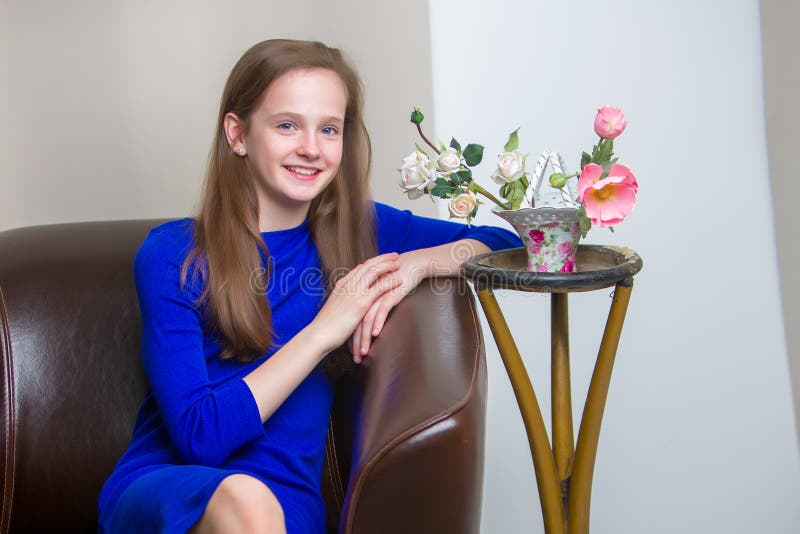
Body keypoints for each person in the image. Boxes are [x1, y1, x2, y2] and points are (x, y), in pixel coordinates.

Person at [98, 39, 521, 534]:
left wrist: (415, 265)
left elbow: (509, 244)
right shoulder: (173, 254)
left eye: (329, 129)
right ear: (237, 133)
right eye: (286, 125)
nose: (311, 148)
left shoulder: (359, 230)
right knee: (246, 500)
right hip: (173, 493)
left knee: (259, 507)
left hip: (287, 505)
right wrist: (326, 329)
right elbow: (201, 437)